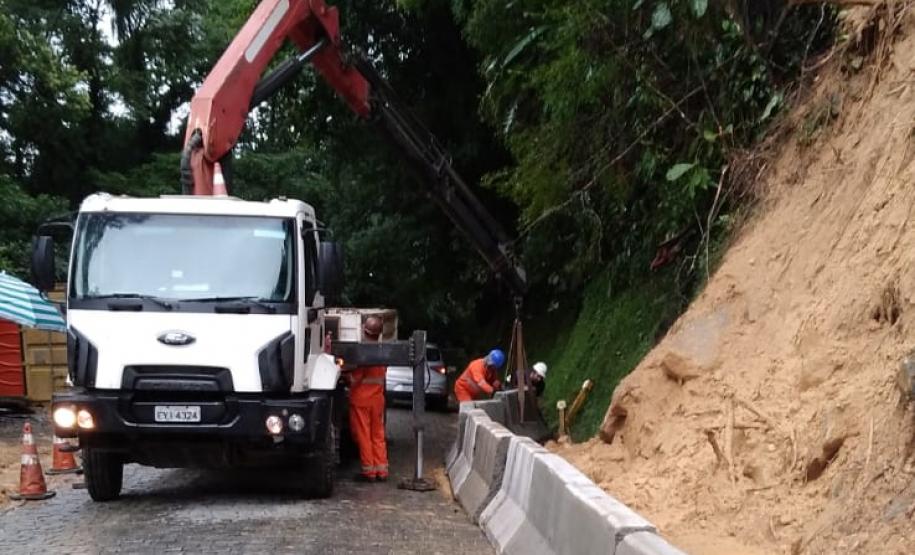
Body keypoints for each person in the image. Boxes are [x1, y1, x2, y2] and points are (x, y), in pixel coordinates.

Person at [348, 316, 388, 482]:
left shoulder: (364, 353)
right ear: (379, 334)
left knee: (363, 435)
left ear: (365, 331)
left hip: (361, 400)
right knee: (378, 435)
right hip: (377, 400)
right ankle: (382, 470)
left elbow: (355, 379)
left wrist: (345, 376)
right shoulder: (383, 352)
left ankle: (369, 471)